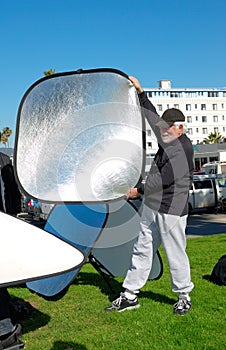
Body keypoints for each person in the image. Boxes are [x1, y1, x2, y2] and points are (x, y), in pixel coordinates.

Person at [105, 76, 194, 315]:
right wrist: (141, 92)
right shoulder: (166, 135)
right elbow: (150, 115)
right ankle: (130, 295)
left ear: (180, 128)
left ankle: (184, 296)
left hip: (172, 209)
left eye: (169, 128)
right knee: (142, 248)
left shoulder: (183, 148)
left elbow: (164, 179)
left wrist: (138, 191)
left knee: (176, 253)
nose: (163, 131)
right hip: (152, 206)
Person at [0, 152, 24, 348]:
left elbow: (12, 189)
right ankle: (5, 332)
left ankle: (5, 330)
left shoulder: (3, 161)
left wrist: (12, 215)